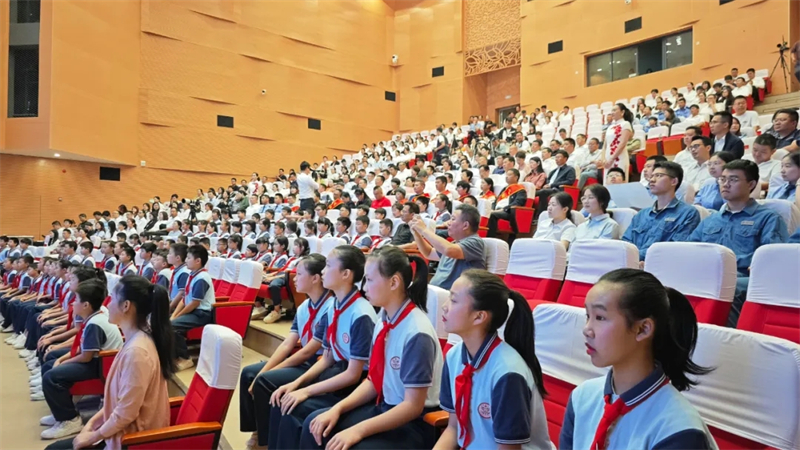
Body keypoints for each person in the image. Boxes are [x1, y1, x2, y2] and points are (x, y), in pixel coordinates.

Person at [299, 247, 441, 450]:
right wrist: (337, 409)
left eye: (370, 280)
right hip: (384, 406)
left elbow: (412, 406)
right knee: (315, 424)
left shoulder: (417, 333)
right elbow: (373, 381)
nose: (364, 287)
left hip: (413, 423)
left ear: (394, 282)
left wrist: (358, 430)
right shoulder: (384, 321)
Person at [559, 269, 715, 450]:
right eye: (588, 316)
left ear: (643, 329)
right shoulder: (582, 396)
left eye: (600, 317)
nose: (587, 329)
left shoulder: (680, 430)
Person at [43, 275, 174, 450]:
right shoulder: (136, 339)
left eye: (112, 299)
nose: (108, 305)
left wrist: (93, 436)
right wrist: (91, 424)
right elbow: (118, 405)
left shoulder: (137, 352)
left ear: (126, 306)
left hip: (131, 440)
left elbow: (126, 413)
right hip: (120, 430)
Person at [273, 246, 377, 449]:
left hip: (355, 383)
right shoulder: (334, 306)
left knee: (296, 409)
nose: (322, 271)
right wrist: (297, 384)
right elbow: (328, 358)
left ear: (346, 274)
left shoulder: (361, 314)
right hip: (336, 371)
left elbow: (353, 375)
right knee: (284, 399)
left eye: (328, 266)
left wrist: (306, 391)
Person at [435, 270, 551, 450]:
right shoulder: (454, 356)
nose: (445, 306)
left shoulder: (508, 374)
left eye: (454, 300)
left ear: (479, 316)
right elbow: (454, 428)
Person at [241, 254, 333, 449]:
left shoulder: (330, 308)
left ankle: (266, 442)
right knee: (249, 373)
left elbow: (307, 352)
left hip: (318, 366)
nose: (294, 279)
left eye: (299, 274)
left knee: (264, 381)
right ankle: (257, 430)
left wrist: (266, 373)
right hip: (303, 361)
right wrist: (264, 369)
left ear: (315, 278)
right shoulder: (304, 306)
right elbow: (287, 344)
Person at [687, 160, 788, 326]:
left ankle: (726, 337)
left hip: (743, 275)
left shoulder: (768, 218)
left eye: (733, 179)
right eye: (722, 179)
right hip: (708, 272)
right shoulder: (712, 219)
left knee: (729, 288)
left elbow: (773, 257)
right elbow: (689, 248)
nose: (725, 184)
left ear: (751, 184)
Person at [40, 278, 124, 440]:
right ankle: (60, 412)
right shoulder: (94, 316)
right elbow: (82, 346)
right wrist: (61, 359)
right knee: (49, 365)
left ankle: (70, 420)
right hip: (96, 360)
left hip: (102, 365)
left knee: (52, 377)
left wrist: (63, 362)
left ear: (86, 305)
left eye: (76, 300)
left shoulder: (95, 323)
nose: (73, 303)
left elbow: (86, 357)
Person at [623, 162, 700, 263]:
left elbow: (675, 248)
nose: (652, 180)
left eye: (658, 176)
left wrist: (637, 257)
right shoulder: (641, 214)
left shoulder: (688, 213)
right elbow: (625, 243)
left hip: (662, 265)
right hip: (632, 263)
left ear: (674, 181)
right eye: (651, 176)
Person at [410, 204, 486, 290]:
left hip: (453, 294)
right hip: (436, 291)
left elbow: (448, 250)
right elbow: (429, 253)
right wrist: (416, 233)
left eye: (453, 219)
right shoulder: (454, 244)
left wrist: (424, 230)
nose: (448, 223)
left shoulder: (476, 242)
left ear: (465, 225)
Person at [170, 245, 216, 371]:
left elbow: (194, 303)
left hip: (202, 313)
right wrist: (174, 315)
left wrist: (177, 317)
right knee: (166, 320)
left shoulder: (202, 278)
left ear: (198, 261)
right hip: (193, 311)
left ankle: (186, 358)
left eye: (189, 258)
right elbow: (184, 299)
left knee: (173, 326)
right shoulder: (192, 275)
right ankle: (172, 355)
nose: (185, 261)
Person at [264, 238, 309, 324]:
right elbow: (283, 269)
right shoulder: (292, 258)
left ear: (302, 247)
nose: (293, 247)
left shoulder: (303, 259)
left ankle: (276, 310)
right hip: (282, 274)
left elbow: (291, 272)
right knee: (260, 279)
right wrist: (271, 275)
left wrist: (274, 278)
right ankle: (259, 306)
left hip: (288, 277)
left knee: (274, 285)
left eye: (296, 245)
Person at [570, 185, 621, 254]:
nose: (586, 201)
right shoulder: (581, 226)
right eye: (584, 198)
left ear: (602, 201)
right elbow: (571, 249)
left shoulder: (610, 225)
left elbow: (600, 251)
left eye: (591, 197)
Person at [534, 150, 577, 218]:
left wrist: (552, 185)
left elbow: (570, 181)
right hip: (549, 189)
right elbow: (548, 180)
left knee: (543, 192)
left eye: (559, 157)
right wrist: (547, 185)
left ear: (565, 159)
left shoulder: (570, 169)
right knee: (532, 192)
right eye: (556, 157)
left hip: (559, 190)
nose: (556, 159)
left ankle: (540, 216)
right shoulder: (553, 171)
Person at [486, 169, 528, 240]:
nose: (506, 177)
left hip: (508, 212)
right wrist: (492, 208)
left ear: (516, 177)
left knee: (492, 215)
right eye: (506, 175)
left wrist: (504, 209)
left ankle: (490, 239)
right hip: (497, 210)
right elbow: (496, 201)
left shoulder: (520, 190)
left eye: (509, 175)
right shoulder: (505, 188)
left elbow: (519, 202)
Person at [601, 103, 634, 182]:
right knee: (607, 182)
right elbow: (605, 145)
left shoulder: (625, 124)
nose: (612, 112)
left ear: (622, 112)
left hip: (620, 157)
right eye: (611, 110)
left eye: (614, 110)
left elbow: (622, 143)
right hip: (608, 159)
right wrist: (603, 159)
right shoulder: (610, 127)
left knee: (619, 181)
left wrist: (612, 159)